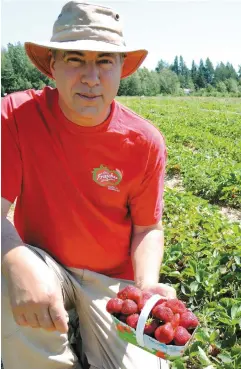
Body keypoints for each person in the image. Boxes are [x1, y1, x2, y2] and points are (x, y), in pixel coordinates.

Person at [1, 1, 175, 368]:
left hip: (111, 282)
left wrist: (146, 287)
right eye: (75, 59)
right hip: (43, 263)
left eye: (104, 61)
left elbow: (148, 228)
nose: (91, 77)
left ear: (121, 69)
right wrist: (14, 259)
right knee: (4, 282)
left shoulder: (143, 141)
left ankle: (82, 327)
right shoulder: (16, 116)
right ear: (52, 65)